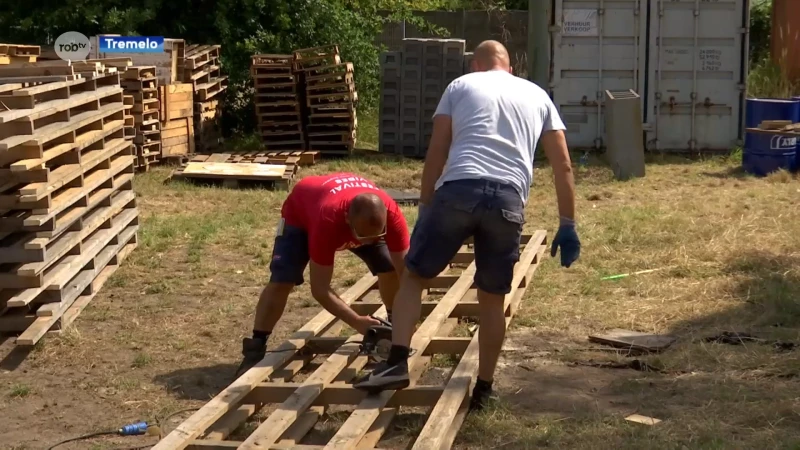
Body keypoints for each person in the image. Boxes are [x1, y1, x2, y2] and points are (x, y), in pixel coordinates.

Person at [353, 40, 581, 410]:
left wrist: (426, 205)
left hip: (459, 190)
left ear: (476, 65)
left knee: (414, 277)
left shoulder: (460, 86)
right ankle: (485, 390)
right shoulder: (538, 96)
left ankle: (396, 362)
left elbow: (438, 150)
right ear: (510, 67)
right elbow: (564, 166)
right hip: (507, 201)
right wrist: (567, 223)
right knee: (492, 301)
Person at [234, 172, 410, 379]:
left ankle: (391, 323)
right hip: (301, 213)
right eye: (363, 237)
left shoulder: (392, 214)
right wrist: (356, 322)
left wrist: (403, 324)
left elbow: (406, 275)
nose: (369, 243)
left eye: (377, 237)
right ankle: (256, 347)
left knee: (389, 267)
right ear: (347, 220)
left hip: (349, 209)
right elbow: (320, 289)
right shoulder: (327, 219)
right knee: (283, 280)